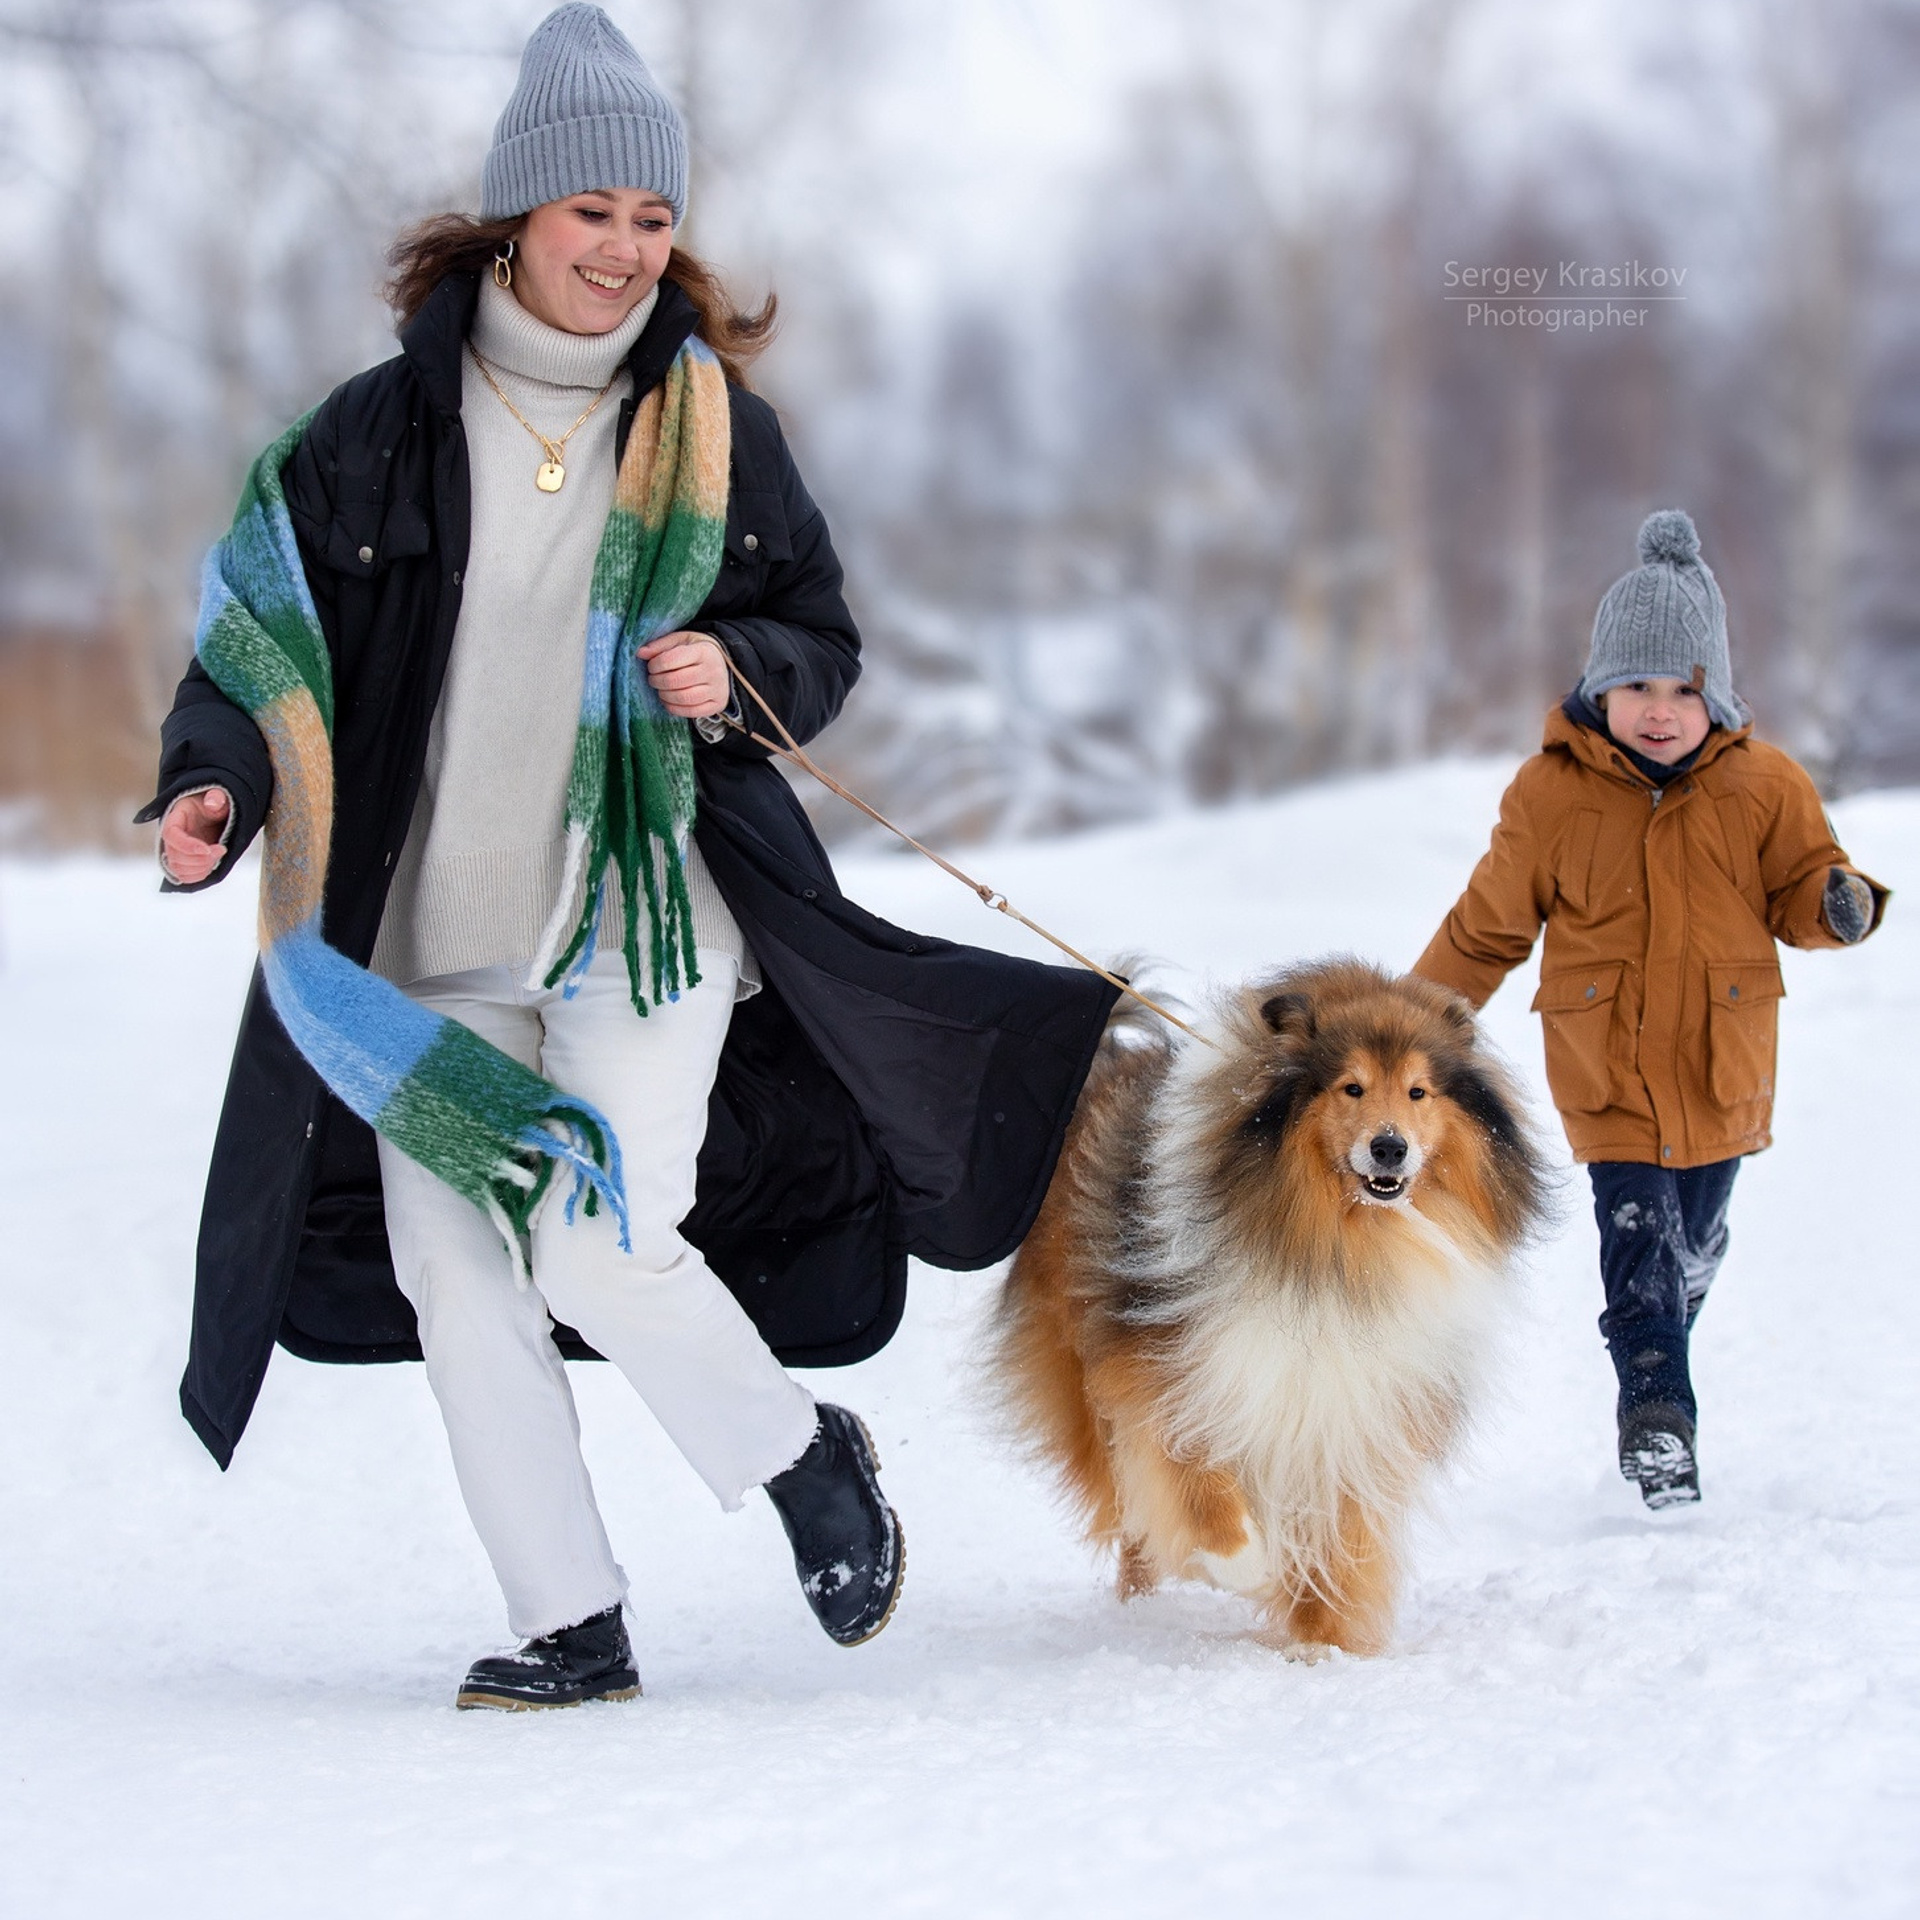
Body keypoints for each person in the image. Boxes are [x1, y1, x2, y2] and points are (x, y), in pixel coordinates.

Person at [141, 4, 1115, 1707]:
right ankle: (565, 1620)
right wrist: (213, 783)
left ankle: (802, 1455)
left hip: (643, 924)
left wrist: (739, 675)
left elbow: (818, 634)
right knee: (458, 1274)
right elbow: (256, 646)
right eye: (593, 211)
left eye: (652, 219)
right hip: (419, 946)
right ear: (517, 215)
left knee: (594, 1228)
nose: (624, 248)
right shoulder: (369, 434)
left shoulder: (716, 431)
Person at [1411, 509, 1887, 1509]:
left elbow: (1808, 882)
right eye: (1637, 687)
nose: (1660, 710)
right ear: (1598, 687)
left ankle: (1670, 1308)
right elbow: (1489, 925)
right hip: (1608, 1074)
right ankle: (1658, 1414)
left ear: (1718, 694)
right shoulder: (1550, 795)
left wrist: (1840, 906)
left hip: (1724, 1069)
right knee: (1635, 1240)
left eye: (1684, 689)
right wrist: (1412, 1017)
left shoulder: (1764, 786)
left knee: (1691, 1243)